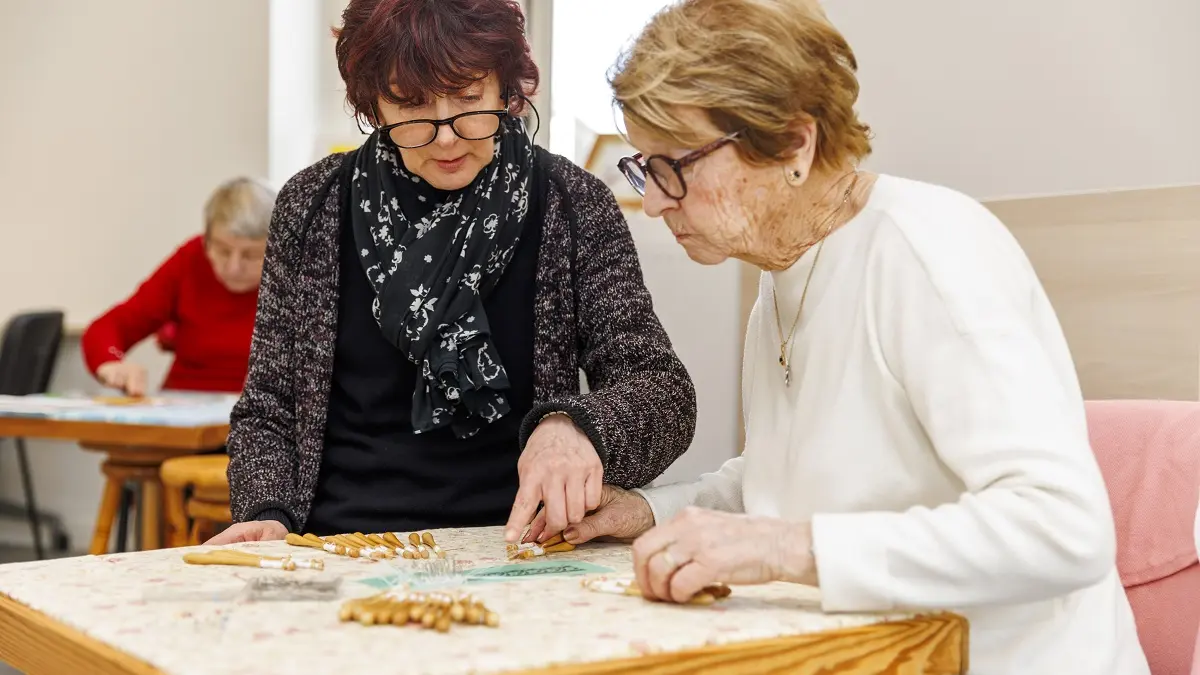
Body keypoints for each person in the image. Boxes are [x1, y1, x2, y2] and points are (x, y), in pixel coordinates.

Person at [544, 1, 1150, 673]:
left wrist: (783, 551)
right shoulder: (782, 275)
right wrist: (647, 511)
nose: (654, 201)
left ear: (794, 146)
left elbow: (1064, 528)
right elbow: (785, 481)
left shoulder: (928, 253)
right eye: (643, 167)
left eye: (672, 165)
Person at [207, 0, 695, 546]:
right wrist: (266, 511)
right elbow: (269, 405)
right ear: (372, 104)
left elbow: (663, 393)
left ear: (507, 91)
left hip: (519, 548)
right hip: (339, 545)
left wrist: (576, 426)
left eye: (468, 99)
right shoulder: (312, 205)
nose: (446, 137)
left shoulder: (571, 204)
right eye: (411, 106)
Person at [82, 177, 276, 395]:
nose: (233, 267)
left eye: (251, 255)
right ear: (207, 239)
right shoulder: (192, 258)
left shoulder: (300, 277)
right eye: (222, 251)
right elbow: (112, 325)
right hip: (183, 413)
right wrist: (111, 363)